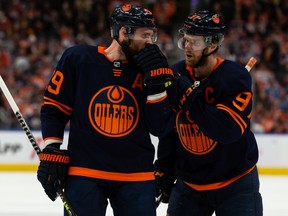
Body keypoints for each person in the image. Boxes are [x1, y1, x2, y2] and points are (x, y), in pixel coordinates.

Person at [36, 4, 173, 216]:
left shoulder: (150, 68)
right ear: (123, 32)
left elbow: (160, 127)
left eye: (151, 35)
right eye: (144, 35)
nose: (149, 42)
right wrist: (52, 148)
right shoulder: (78, 58)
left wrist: (157, 86)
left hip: (136, 175)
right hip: (84, 172)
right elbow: (55, 107)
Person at [154, 10, 263, 215]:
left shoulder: (234, 77)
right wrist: (165, 167)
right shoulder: (177, 73)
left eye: (193, 43)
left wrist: (190, 100)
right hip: (190, 185)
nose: (186, 48)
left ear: (212, 45)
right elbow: (170, 129)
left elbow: (227, 130)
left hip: (236, 183)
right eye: (185, 41)